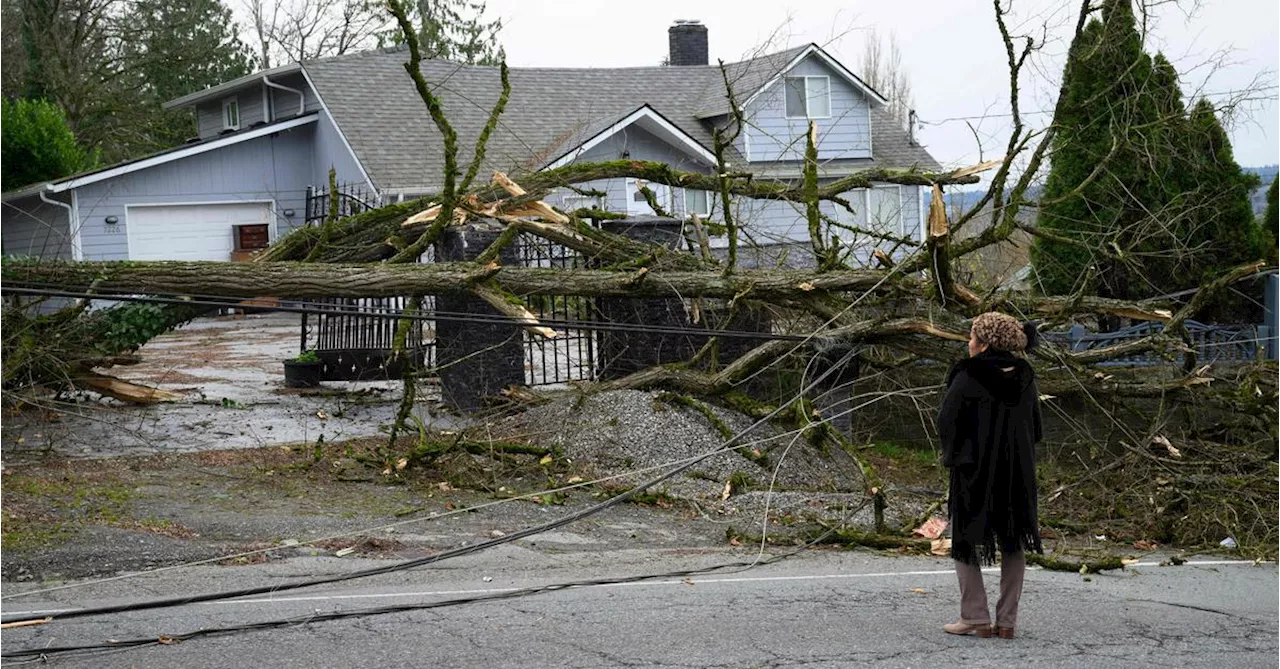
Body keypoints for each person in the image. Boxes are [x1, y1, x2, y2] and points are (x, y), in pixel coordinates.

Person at [936, 312, 1043, 639]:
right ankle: (1007, 621)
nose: (968, 343)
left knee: (964, 541)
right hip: (1017, 473)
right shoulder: (1026, 375)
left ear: (983, 344)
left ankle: (975, 616)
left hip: (975, 472)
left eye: (971, 338)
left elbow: (946, 421)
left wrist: (956, 455)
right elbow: (1036, 428)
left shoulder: (968, 374)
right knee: (1013, 540)